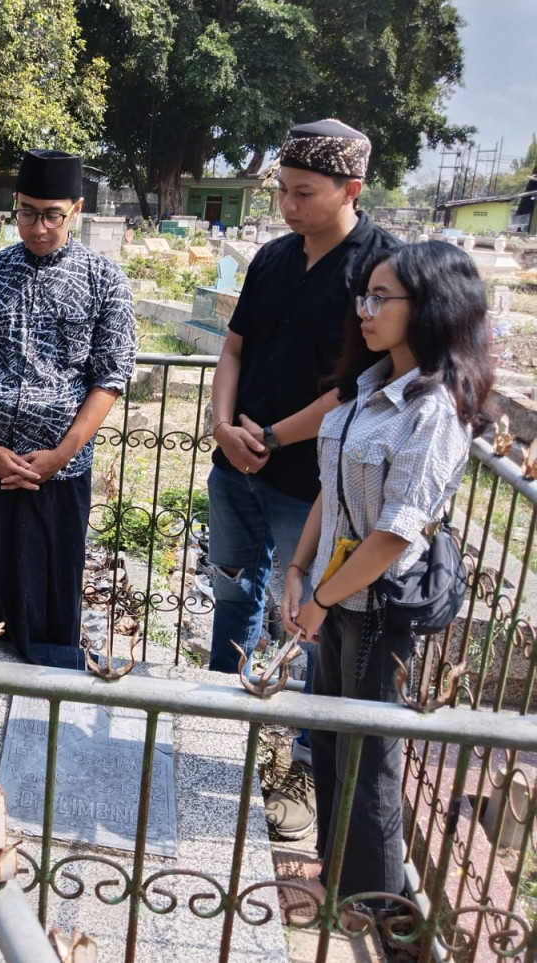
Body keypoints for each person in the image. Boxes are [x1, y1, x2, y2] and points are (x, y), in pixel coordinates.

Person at [204, 119, 399, 841]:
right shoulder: (275, 256)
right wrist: (225, 425)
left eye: (303, 192)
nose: (287, 204)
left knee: (311, 615)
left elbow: (358, 386)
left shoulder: (381, 270)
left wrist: (273, 435)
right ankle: (224, 715)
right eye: (282, 189)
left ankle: (304, 760)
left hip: (313, 481)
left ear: (351, 189)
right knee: (233, 587)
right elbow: (234, 348)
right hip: (239, 464)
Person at [282, 240, 492, 907]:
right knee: (333, 742)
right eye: (363, 296)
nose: (365, 310)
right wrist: (296, 569)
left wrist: (319, 597)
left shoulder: (433, 412)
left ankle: (371, 903)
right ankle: (333, 875)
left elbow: (395, 533)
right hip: (335, 594)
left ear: (429, 306)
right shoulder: (370, 388)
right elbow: (330, 486)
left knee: (369, 760)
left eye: (382, 298)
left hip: (374, 607)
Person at [0, 148, 136, 668]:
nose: (38, 226)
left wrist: (61, 452)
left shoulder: (104, 281)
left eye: (52, 214)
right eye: (27, 212)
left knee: (54, 585)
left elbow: (111, 375)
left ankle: (48, 696)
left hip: (62, 471)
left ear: (76, 209)